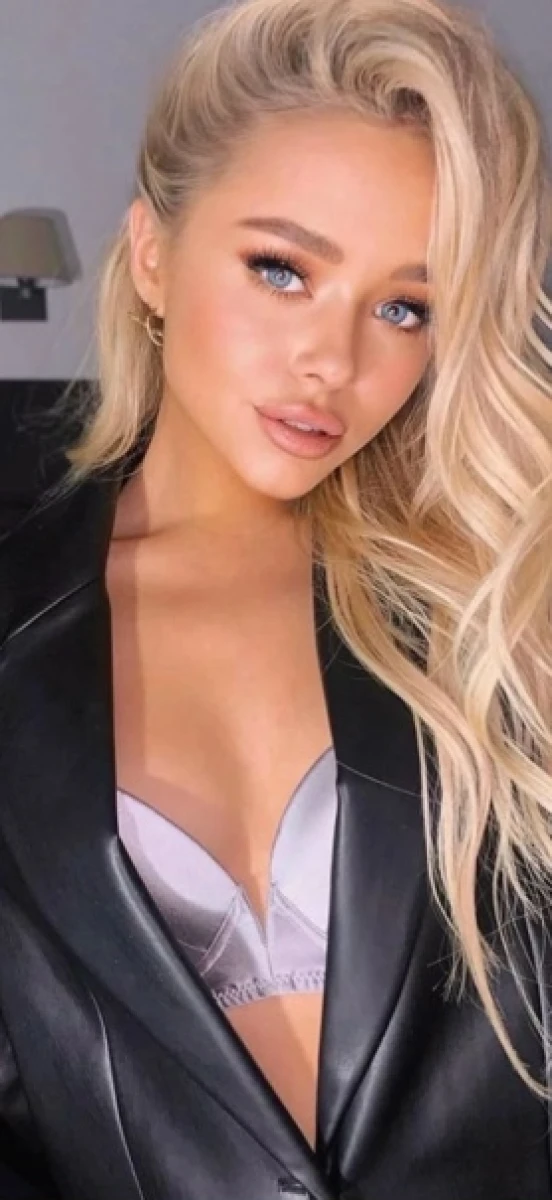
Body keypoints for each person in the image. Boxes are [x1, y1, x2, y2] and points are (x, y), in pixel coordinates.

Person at [0, 0, 551, 1195]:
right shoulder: (18, 631)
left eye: (404, 307)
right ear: (153, 255)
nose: (333, 363)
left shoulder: (501, 608)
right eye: (282, 269)